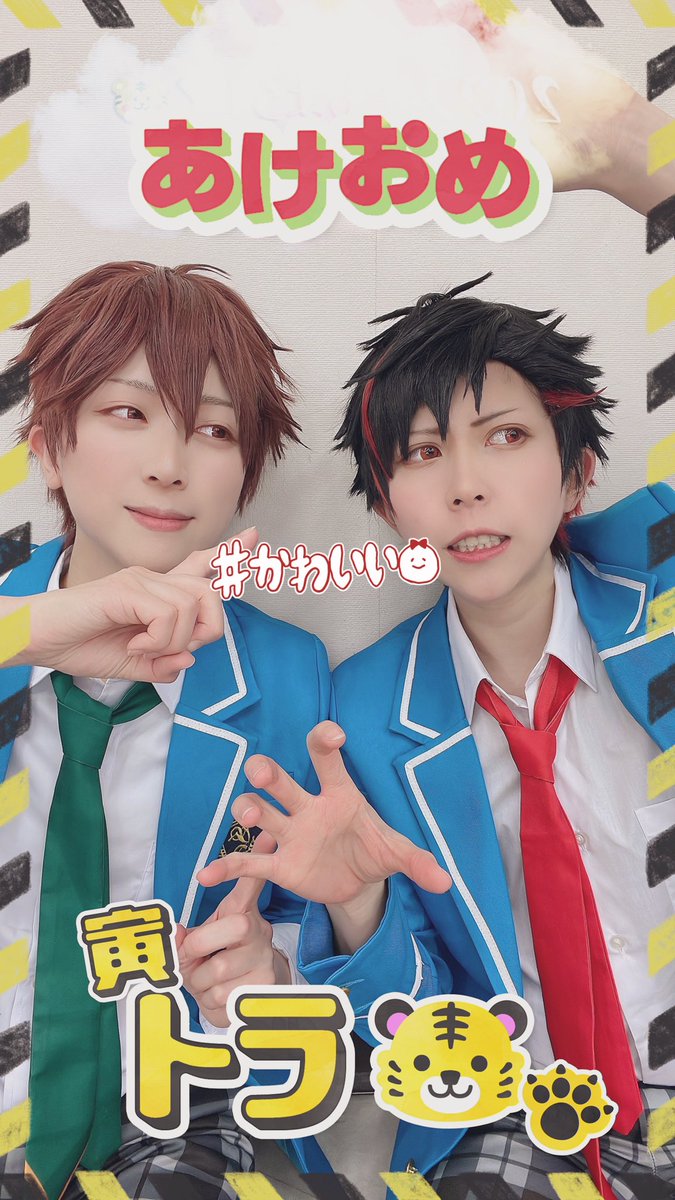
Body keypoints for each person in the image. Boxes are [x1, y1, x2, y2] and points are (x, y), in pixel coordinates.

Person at [201, 274, 675, 1199]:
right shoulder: (362, 715)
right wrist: (360, 906)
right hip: (521, 1111)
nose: (466, 487)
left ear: (576, 474)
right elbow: (415, 1019)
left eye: (506, 436)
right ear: (388, 508)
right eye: (422, 453)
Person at [0, 259, 336, 1200]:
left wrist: (275, 975)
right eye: (128, 411)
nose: (169, 462)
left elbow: (308, 916)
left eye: (213, 429)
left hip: (171, 1112)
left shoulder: (285, 675)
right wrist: (25, 634)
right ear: (47, 445)